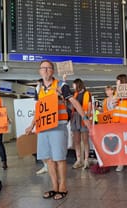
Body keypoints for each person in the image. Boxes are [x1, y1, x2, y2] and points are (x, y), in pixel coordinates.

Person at [25, 60, 90, 200]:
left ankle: (63, 187)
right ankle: (54, 187)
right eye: (43, 68)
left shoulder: (61, 85)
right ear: (39, 71)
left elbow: (73, 101)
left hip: (58, 126)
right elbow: (38, 110)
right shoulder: (38, 89)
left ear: (53, 71)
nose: (46, 70)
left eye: (49, 68)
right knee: (48, 159)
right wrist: (32, 125)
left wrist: (85, 118)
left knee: (59, 158)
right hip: (43, 128)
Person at [112, 74, 127, 172]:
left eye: (117, 81)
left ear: (121, 81)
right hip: (119, 121)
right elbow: (114, 103)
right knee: (120, 143)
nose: (116, 82)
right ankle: (121, 163)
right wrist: (115, 101)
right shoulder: (117, 92)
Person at [70, 78, 92, 169]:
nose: (73, 86)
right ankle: (79, 159)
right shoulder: (74, 94)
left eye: (74, 84)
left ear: (77, 84)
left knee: (85, 139)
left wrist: (87, 118)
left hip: (84, 117)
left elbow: (90, 106)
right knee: (76, 140)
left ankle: (86, 159)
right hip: (75, 117)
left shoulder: (87, 93)